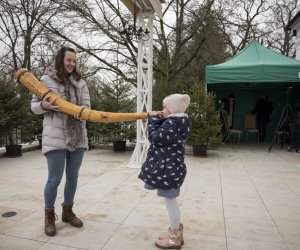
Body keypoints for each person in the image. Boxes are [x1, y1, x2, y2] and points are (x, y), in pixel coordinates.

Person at [31, 47, 90, 236]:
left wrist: (81, 111)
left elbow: (87, 108)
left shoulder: (81, 83)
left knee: (73, 177)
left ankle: (67, 212)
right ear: (60, 60)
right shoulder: (45, 81)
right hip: (55, 135)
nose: (72, 63)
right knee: (54, 179)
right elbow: (34, 106)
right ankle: (49, 217)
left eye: (74, 60)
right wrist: (44, 105)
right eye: (68, 60)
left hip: (77, 136)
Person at [138, 94, 191, 249]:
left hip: (170, 171)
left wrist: (153, 119)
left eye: (165, 107)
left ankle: (175, 237)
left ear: (173, 110)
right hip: (171, 170)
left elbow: (155, 137)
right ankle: (177, 232)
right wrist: (159, 118)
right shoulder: (175, 122)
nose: (162, 110)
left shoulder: (173, 124)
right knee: (171, 203)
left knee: (170, 203)